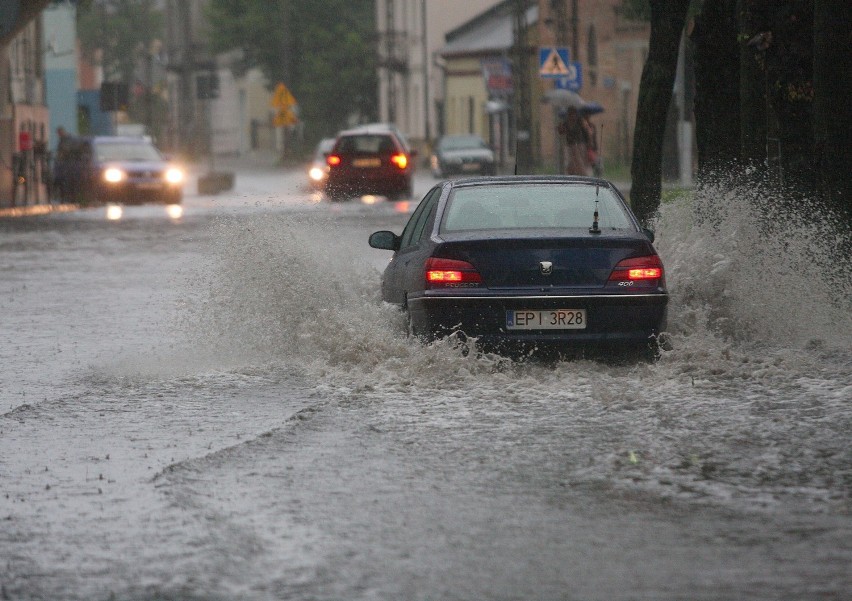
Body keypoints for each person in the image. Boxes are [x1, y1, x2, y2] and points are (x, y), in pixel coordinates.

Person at [557, 107, 594, 176]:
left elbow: (589, 131)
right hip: (570, 145)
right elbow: (561, 132)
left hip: (580, 145)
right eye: (570, 114)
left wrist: (590, 142)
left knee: (581, 163)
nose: (571, 116)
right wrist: (560, 128)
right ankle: (572, 176)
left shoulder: (580, 121)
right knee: (570, 164)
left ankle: (584, 176)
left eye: (573, 114)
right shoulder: (566, 123)